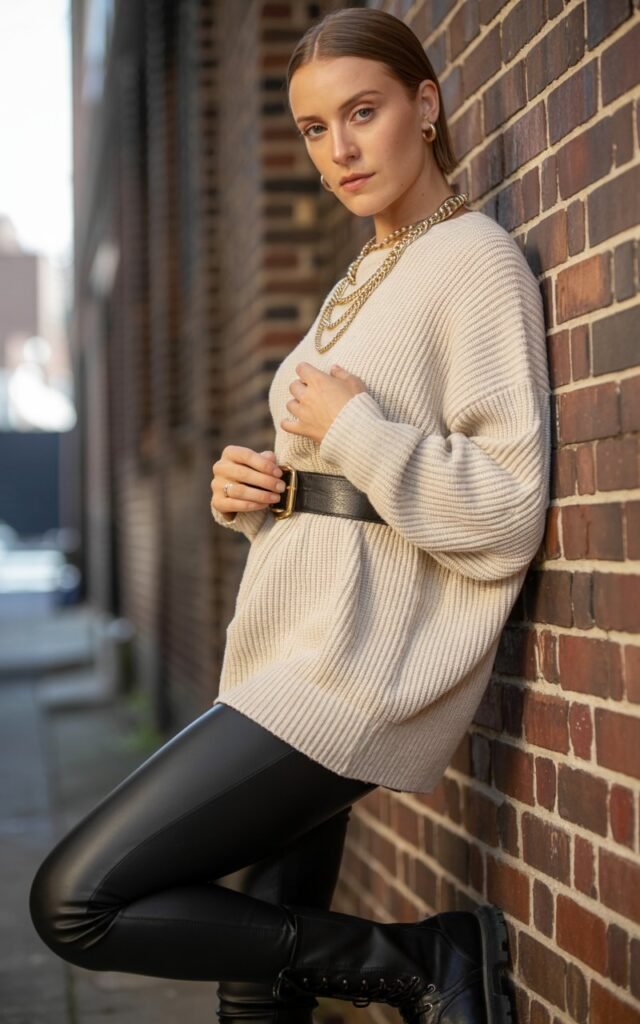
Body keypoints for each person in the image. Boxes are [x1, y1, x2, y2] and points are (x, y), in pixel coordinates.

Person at [29, 8, 550, 1024]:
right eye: (314, 128)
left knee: (76, 900)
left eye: (362, 112)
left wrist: (350, 424)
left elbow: (504, 506)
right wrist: (259, 496)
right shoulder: (358, 279)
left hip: (347, 671)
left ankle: (419, 955)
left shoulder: (473, 259)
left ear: (425, 104)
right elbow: (350, 493)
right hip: (283, 648)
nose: (339, 150)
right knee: (254, 994)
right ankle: (409, 959)